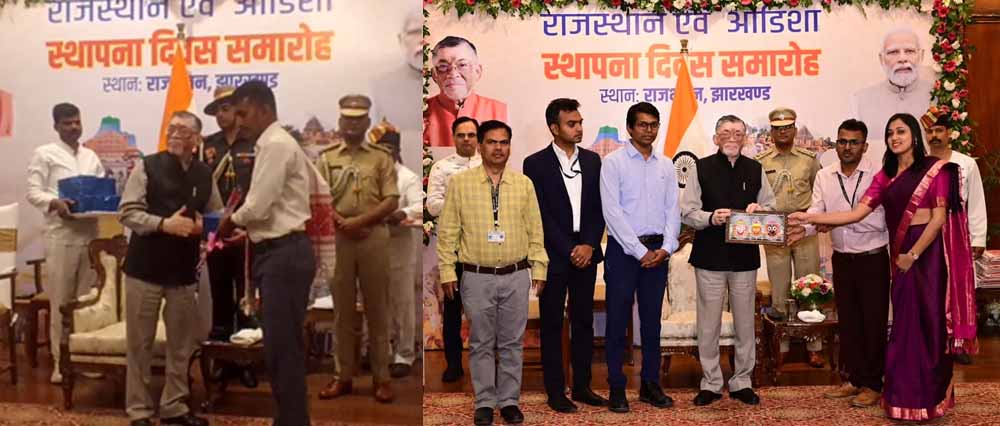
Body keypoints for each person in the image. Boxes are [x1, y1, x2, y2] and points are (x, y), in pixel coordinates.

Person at [789, 113, 977, 421]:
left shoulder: (935, 169)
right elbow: (855, 214)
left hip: (926, 256)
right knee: (904, 327)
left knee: (929, 324)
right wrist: (808, 218)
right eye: (890, 133)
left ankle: (931, 397)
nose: (894, 137)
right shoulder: (886, 176)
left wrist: (913, 255)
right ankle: (905, 399)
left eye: (901, 131)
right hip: (900, 256)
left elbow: (938, 219)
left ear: (914, 135)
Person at [217, 81, 316, 426]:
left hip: (283, 256)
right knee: (279, 348)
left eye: (243, 113)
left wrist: (230, 222)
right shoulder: (271, 143)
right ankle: (289, 419)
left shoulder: (275, 144)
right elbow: (272, 211)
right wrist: (247, 232)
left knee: (282, 350)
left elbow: (258, 206)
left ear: (264, 109)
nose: (238, 121)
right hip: (278, 252)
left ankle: (293, 421)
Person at [436, 120, 547, 426]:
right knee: (481, 342)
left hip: (515, 275)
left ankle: (509, 401)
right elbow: (448, 233)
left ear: (510, 146)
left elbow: (535, 230)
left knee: (512, 342)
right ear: (480, 146)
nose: (498, 148)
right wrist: (447, 271)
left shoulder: (523, 184)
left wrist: (539, 266)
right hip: (476, 276)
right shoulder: (460, 184)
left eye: (504, 142)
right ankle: (484, 402)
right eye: (492, 142)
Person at [119, 111, 219, 426]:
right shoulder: (147, 166)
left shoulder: (205, 173)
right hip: (144, 270)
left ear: (197, 139)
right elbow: (127, 212)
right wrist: (164, 224)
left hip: (183, 272)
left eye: (183, 130)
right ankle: (139, 410)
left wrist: (202, 227)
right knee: (140, 345)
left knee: (181, 345)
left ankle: (174, 406)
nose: (175, 134)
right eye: (171, 128)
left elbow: (215, 216)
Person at [789, 119, 890, 407]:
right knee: (849, 323)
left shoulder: (879, 174)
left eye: (854, 142)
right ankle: (853, 380)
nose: (847, 147)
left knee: (873, 323)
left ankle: (873, 384)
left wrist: (832, 222)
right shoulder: (825, 175)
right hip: (842, 259)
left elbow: (876, 220)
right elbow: (816, 211)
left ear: (865, 146)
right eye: (842, 141)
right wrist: (803, 230)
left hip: (873, 258)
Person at [681, 114, 772, 407]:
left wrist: (760, 210)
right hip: (710, 256)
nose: (732, 137)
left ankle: (742, 381)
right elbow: (688, 212)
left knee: (745, 323)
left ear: (745, 138)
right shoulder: (701, 168)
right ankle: (710, 382)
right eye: (726, 132)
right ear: (716, 138)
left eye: (738, 133)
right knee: (709, 324)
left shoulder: (755, 169)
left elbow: (771, 206)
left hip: (745, 257)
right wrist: (710, 217)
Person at [522, 98, 607, 413]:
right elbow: (540, 214)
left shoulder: (593, 161)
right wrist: (569, 248)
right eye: (572, 124)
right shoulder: (535, 163)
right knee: (552, 324)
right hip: (555, 254)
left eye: (580, 122)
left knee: (584, 321)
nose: (579, 128)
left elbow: (599, 208)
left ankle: (583, 387)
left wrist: (589, 245)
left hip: (586, 251)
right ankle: (556, 391)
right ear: (554, 128)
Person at [316, 95, 399, 403]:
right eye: (347, 118)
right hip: (339, 239)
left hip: (373, 237)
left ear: (367, 122)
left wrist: (361, 221)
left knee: (378, 310)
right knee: (343, 313)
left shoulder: (380, 157)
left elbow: (391, 199)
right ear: (340, 122)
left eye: (358, 118)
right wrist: (343, 223)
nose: (352, 124)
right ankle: (343, 376)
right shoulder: (326, 158)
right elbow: (319, 198)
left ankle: (382, 377)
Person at [600, 102, 679, 413]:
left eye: (654, 124)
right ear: (630, 128)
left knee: (651, 323)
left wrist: (667, 247)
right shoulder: (613, 163)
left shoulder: (666, 165)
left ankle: (650, 384)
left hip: (658, 253)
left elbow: (673, 209)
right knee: (617, 322)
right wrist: (639, 251)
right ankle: (617, 387)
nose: (649, 130)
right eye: (643, 125)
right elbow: (612, 212)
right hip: (623, 252)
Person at [25, 102, 104, 384]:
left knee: (86, 301)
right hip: (61, 237)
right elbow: (33, 192)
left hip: (90, 237)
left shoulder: (91, 156)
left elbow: (100, 190)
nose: (73, 127)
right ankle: (62, 362)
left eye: (77, 122)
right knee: (62, 301)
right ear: (56, 126)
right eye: (67, 123)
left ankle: (84, 358)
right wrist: (55, 202)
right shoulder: (45, 154)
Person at [200, 86, 260, 387]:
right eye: (217, 111)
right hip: (217, 233)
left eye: (227, 108)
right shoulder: (208, 146)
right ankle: (223, 360)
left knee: (246, 299)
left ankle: (247, 361)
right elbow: (201, 187)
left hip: (248, 232)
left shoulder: (255, 142)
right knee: (220, 297)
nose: (222, 115)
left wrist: (249, 227)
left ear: (239, 110)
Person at [755, 107, 824, 367]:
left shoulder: (809, 159)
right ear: (771, 132)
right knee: (779, 291)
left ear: (795, 130)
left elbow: (820, 195)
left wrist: (811, 222)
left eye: (787, 127)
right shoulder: (760, 162)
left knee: (810, 287)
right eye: (778, 128)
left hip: (804, 228)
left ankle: (813, 345)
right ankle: (781, 345)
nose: (783, 132)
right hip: (774, 231)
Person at [921, 107, 987, 365]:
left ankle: (958, 342)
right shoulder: (919, 163)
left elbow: (976, 202)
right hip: (926, 231)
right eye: (930, 131)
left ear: (949, 133)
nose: (934, 136)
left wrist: (978, 238)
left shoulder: (966, 163)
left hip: (957, 233)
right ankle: (932, 342)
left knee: (958, 288)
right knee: (930, 285)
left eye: (939, 130)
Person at [425, 116, 482, 382]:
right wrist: (462, 200)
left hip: (484, 250)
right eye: (461, 135)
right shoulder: (442, 167)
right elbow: (433, 205)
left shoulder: (488, 164)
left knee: (484, 310)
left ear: (478, 138)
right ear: (454, 137)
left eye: (471, 135)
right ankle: (454, 365)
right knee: (452, 310)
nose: (467, 139)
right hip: (454, 250)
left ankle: (486, 364)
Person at [371, 119, 424, 378]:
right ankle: (379, 353)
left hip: (399, 248)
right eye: (379, 149)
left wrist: (402, 213)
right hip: (372, 247)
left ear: (395, 150)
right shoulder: (370, 176)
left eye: (388, 149)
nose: (384, 153)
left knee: (402, 303)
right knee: (376, 303)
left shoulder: (407, 177)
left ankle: (404, 354)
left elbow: (420, 205)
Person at [850, 26, 933, 165]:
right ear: (881, 59)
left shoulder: (936, 96)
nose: (902, 58)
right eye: (893, 52)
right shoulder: (860, 100)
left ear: (921, 55)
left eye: (910, 51)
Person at [424, 36, 507, 147]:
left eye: (462, 65)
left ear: (477, 72)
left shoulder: (500, 111)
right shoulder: (422, 112)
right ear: (434, 75)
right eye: (443, 66)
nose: (453, 74)